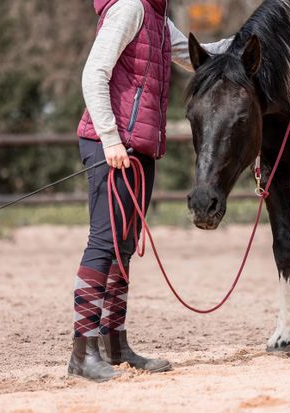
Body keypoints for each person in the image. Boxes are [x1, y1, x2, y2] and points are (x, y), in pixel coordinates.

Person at [69, 0, 231, 382]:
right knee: (103, 243)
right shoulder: (129, 8)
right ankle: (83, 353)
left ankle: (116, 344)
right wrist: (109, 138)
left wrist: (252, 34)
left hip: (138, 147)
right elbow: (94, 73)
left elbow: (198, 58)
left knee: (123, 247)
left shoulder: (157, 18)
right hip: (114, 145)